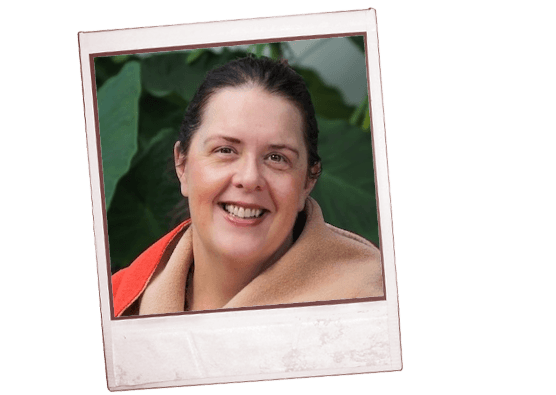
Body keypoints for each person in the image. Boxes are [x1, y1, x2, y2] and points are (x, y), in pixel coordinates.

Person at [111, 56, 383, 317]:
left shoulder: (370, 307)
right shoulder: (116, 303)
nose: (249, 178)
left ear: (308, 181)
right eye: (225, 150)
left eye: (277, 158)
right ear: (182, 165)